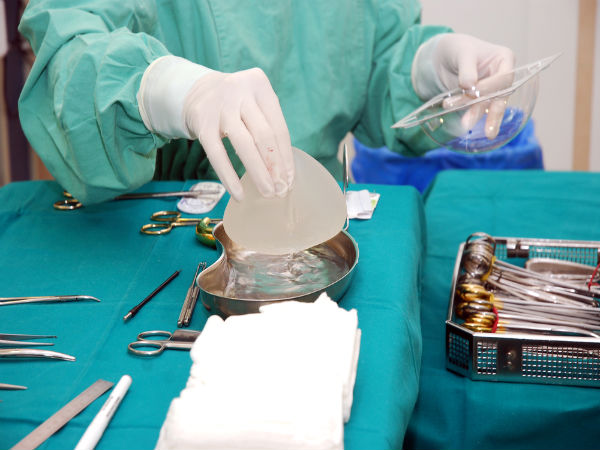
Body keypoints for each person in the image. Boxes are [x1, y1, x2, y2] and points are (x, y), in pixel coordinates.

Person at [18, 0, 514, 204]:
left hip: (315, 218)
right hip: (160, 225)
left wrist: (427, 67)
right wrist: (165, 91)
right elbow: (70, 52)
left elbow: (373, 55)